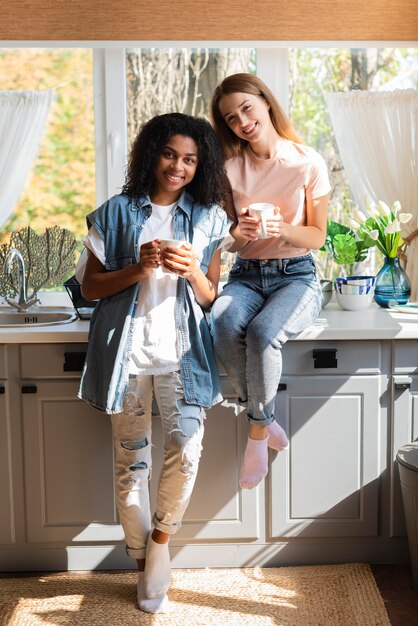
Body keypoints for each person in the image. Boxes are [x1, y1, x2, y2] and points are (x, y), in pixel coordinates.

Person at [77, 112, 231, 614]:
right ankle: (143, 557)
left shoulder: (209, 217)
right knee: (131, 462)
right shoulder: (116, 212)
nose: (178, 167)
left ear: (199, 164)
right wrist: (136, 269)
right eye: (169, 154)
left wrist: (192, 273)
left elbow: (211, 299)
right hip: (126, 354)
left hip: (181, 356)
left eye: (189, 159)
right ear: (152, 154)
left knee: (185, 447)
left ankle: (159, 542)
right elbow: (89, 288)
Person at [210, 73, 331, 490]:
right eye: (231, 118)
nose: (242, 121)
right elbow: (223, 239)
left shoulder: (306, 161)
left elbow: (318, 236)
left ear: (265, 102)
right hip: (245, 275)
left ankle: (257, 437)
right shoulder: (228, 170)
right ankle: (268, 420)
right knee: (222, 323)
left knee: (263, 333)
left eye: (246, 108)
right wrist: (238, 235)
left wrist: (282, 229)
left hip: (296, 275)